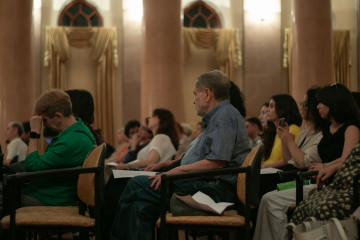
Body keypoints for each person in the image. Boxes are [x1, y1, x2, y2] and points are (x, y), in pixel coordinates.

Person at [109, 70, 251, 240]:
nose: (193, 100)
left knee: (135, 184)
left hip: (213, 190)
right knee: (140, 208)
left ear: (207, 93)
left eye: (195, 94)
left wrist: (176, 172)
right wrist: (169, 167)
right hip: (203, 183)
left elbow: (216, 163)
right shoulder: (218, 117)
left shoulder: (224, 117)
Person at [253, 87, 325, 240]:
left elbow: (301, 162)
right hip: (291, 170)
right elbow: (289, 159)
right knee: (252, 178)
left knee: (260, 186)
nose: (302, 108)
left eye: (306, 104)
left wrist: (288, 140)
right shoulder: (305, 132)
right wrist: (285, 141)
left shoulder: (322, 134)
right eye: (302, 104)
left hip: (300, 177)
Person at [290, 83, 360, 224]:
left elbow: (346, 160)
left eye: (321, 103)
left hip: (342, 184)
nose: (317, 107)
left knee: (313, 209)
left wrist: (324, 166)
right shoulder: (328, 128)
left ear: (333, 104)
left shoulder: (351, 127)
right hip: (324, 181)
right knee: (302, 209)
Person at [23, 89, 96, 206]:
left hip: (50, 198)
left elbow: (31, 166)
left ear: (58, 116)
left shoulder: (71, 141)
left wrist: (34, 132)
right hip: (49, 193)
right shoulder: (78, 131)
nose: (44, 125)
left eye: (44, 120)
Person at [114, 109, 178, 170]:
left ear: (161, 120)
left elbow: (151, 161)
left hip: (146, 175)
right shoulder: (159, 138)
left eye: (153, 116)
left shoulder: (161, 137)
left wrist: (126, 166)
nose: (149, 119)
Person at [262, 94, 302, 167]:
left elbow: (290, 160)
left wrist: (264, 167)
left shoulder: (292, 129)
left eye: (271, 106)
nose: (267, 110)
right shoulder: (276, 131)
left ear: (283, 110)